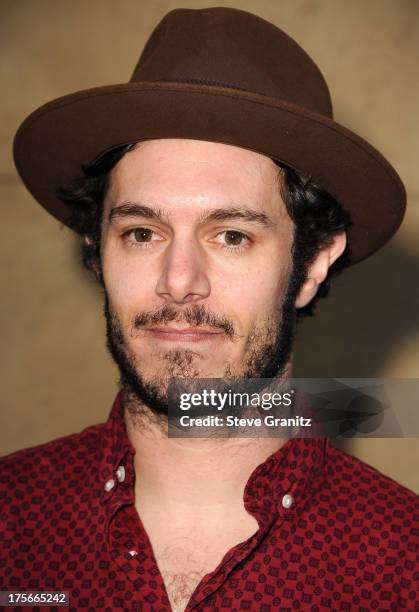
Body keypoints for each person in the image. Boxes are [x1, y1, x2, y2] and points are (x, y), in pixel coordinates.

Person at [2, 6, 418, 611]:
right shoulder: (12, 521)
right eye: (142, 232)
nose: (178, 282)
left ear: (313, 264)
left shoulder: (403, 567)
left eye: (232, 236)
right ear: (97, 251)